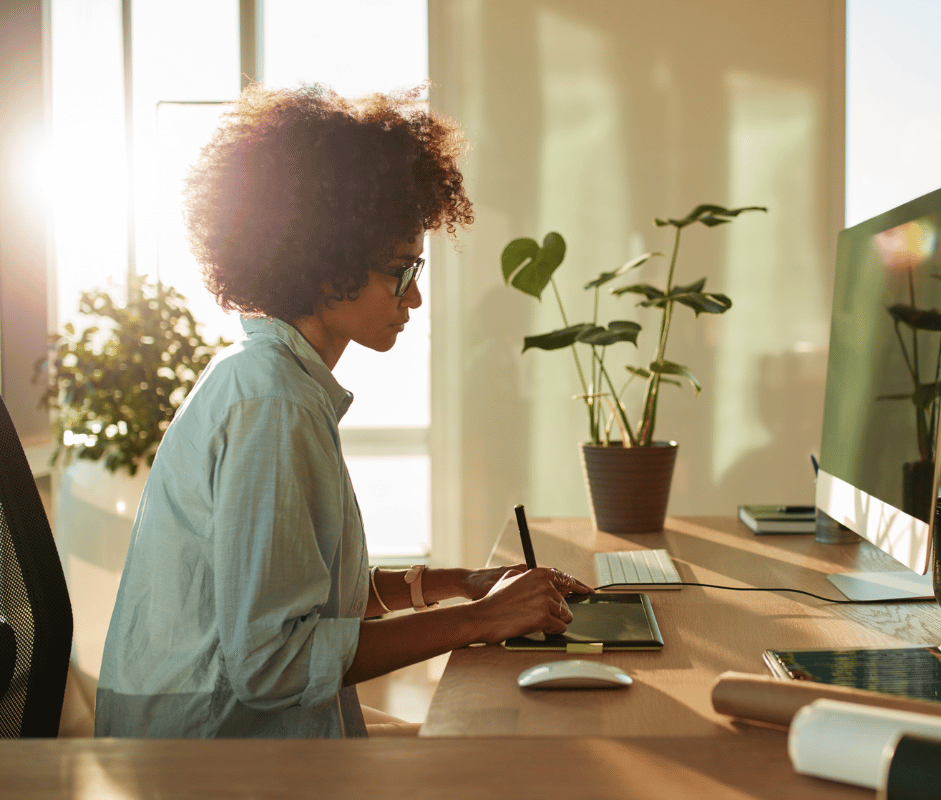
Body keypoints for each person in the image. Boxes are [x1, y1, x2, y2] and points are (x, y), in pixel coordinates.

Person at [95, 83, 590, 738]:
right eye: (400, 270)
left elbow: (311, 594)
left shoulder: (273, 379)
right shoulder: (273, 405)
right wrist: (483, 620)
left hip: (231, 739)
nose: (413, 299)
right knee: (494, 759)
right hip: (208, 764)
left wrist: (468, 583)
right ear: (326, 266)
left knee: (474, 744)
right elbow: (270, 663)